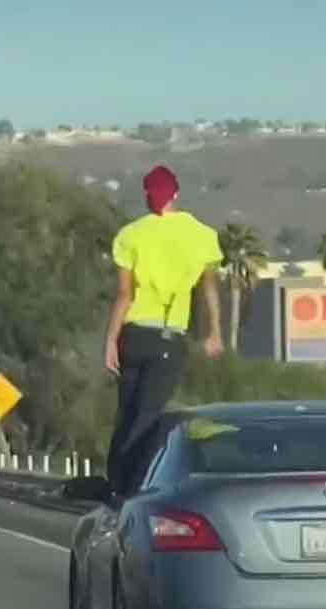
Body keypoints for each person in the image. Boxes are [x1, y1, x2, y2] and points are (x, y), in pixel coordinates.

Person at [103, 164, 224, 497]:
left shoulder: (130, 236)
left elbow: (124, 295)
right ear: (176, 194)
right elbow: (209, 287)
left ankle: (115, 483)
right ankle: (131, 488)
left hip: (133, 335)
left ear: (147, 195)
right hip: (167, 338)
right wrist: (215, 332)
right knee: (148, 415)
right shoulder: (201, 235)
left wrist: (110, 340)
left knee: (126, 412)